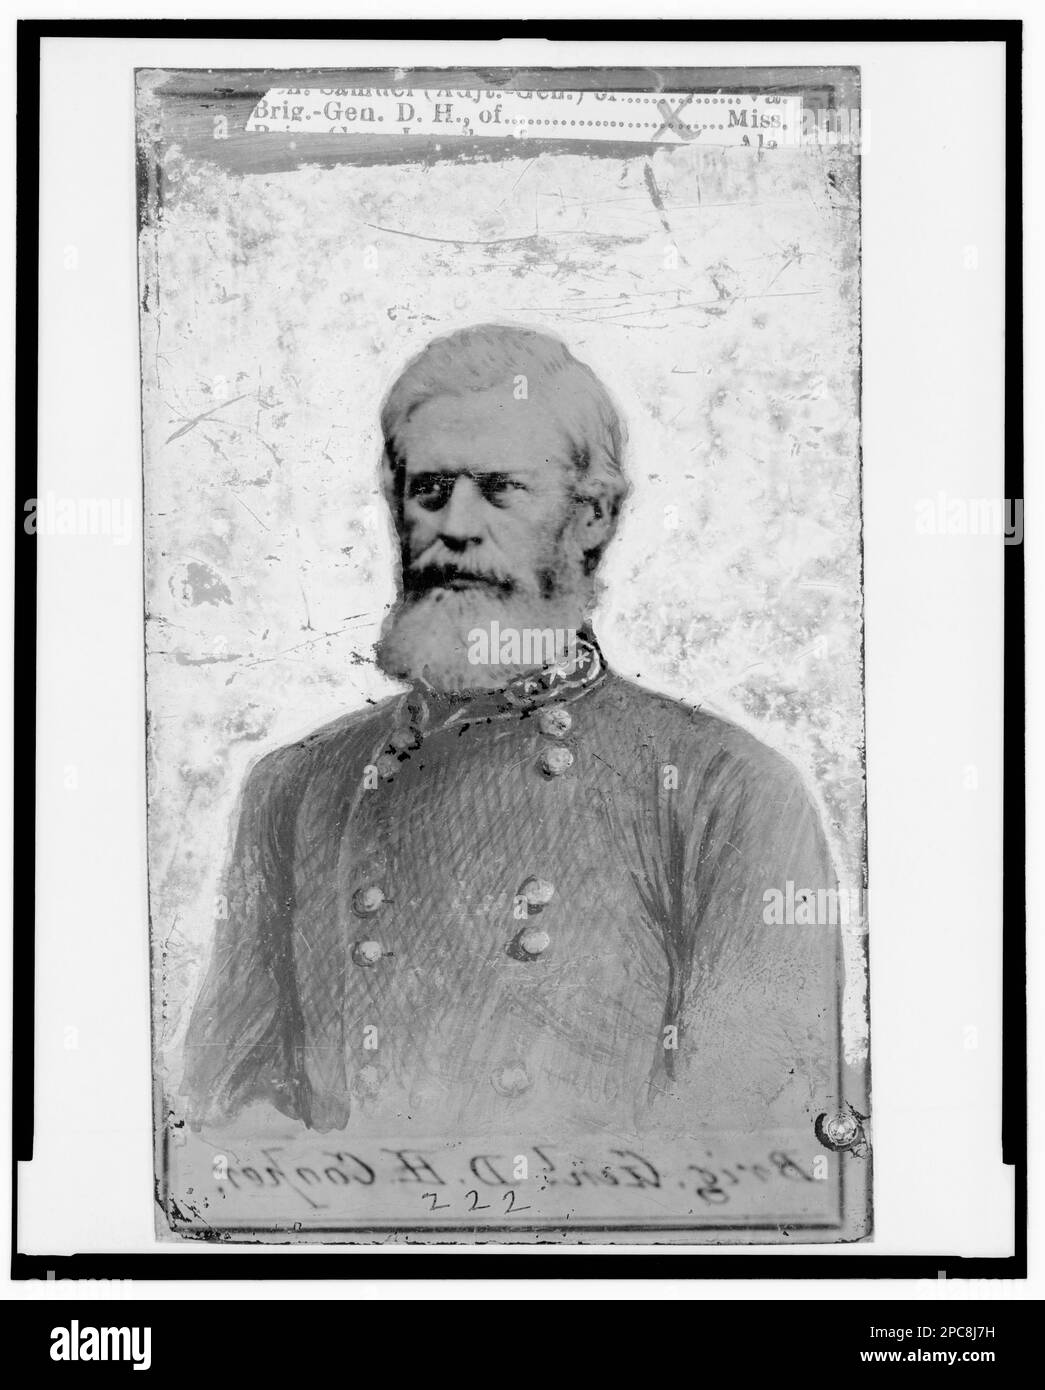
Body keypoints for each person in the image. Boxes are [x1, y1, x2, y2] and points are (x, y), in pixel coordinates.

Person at [183, 323, 842, 1141]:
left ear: (591, 516)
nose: (453, 526)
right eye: (429, 491)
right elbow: (226, 1108)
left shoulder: (730, 788)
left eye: (498, 490)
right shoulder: (295, 785)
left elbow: (749, 1126)